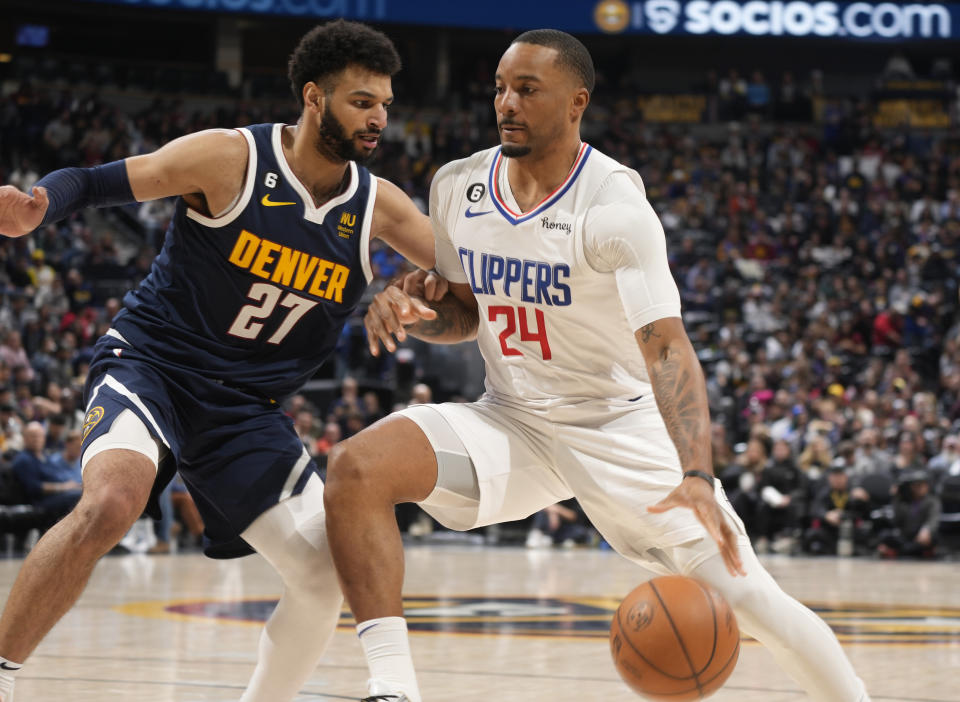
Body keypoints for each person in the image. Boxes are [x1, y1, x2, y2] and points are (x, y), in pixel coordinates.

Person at [324, 30, 871, 702]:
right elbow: (467, 313)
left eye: (527, 89)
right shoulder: (458, 186)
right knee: (356, 469)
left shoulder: (614, 208)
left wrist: (697, 472)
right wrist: (413, 311)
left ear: (577, 101)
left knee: (747, 594)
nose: (507, 103)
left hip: (616, 425)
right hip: (514, 418)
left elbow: (667, 349)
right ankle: (393, 689)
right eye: (500, 88)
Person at [0, 19, 436, 702]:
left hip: (243, 411)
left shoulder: (380, 207)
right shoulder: (229, 158)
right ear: (315, 97)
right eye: (362, 102)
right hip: (153, 367)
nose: (378, 118)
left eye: (384, 103)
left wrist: (401, 292)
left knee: (327, 574)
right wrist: (38, 207)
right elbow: (92, 182)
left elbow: (472, 282)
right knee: (113, 502)